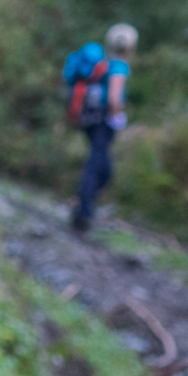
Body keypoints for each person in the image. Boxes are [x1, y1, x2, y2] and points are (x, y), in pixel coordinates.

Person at [64, 23, 137, 232]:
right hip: (103, 121)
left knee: (99, 166)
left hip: (89, 119)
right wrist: (118, 117)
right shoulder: (120, 66)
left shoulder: (103, 63)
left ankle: (82, 208)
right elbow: (114, 98)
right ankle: (83, 213)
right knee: (99, 168)